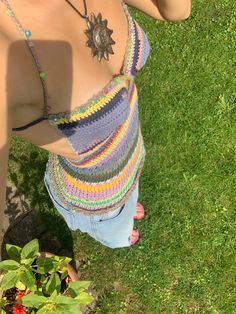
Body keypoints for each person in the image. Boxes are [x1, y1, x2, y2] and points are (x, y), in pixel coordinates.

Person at [0, 0, 191, 250]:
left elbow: (174, 11)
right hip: (94, 202)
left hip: (130, 157)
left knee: (130, 195)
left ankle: (128, 205)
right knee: (118, 235)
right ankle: (120, 235)